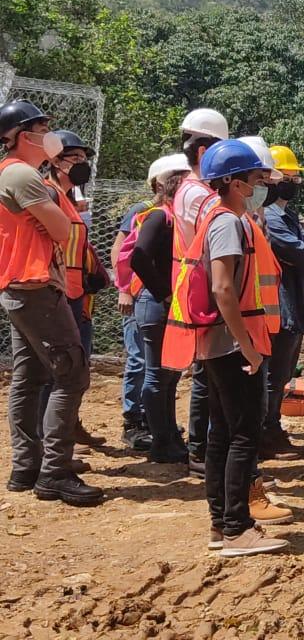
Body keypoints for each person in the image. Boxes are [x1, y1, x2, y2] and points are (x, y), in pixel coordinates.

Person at [163, 138, 287, 557]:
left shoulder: (218, 218)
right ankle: (236, 527)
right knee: (243, 434)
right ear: (234, 182)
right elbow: (223, 287)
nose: (259, 186)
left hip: (218, 343)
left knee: (222, 434)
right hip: (232, 344)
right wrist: (247, 346)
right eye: (254, 179)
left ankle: (222, 524)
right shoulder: (227, 223)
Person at [0, 99, 102, 506]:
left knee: (30, 377)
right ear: (25, 136)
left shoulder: (17, 172)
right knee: (71, 374)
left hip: (21, 286)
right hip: (37, 286)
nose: (50, 137)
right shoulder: (23, 174)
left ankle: (27, 466)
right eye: (43, 129)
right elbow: (62, 230)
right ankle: (54, 473)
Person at [171, 108, 231, 479]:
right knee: (210, 379)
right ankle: (203, 451)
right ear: (205, 150)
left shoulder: (190, 190)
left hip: (202, 289)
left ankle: (204, 450)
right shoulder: (200, 194)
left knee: (208, 377)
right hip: (208, 293)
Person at [44, 130, 111, 438]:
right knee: (58, 369)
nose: (82, 164)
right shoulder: (49, 194)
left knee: (77, 365)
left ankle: (69, 424)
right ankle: (51, 435)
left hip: (77, 293)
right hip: (58, 293)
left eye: (84, 159)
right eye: (76, 158)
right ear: (54, 161)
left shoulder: (70, 200)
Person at [128, 154, 194, 464]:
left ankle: (168, 437)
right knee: (156, 377)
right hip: (155, 306)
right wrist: (164, 294)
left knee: (169, 377)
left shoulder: (174, 219)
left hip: (166, 305)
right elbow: (138, 257)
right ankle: (161, 441)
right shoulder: (158, 217)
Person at [260, 145, 304, 461]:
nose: (296, 182)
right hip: (279, 307)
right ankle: (266, 433)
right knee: (273, 375)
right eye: (291, 176)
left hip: (292, 304)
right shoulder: (271, 216)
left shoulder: (287, 215)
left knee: (281, 375)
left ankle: (272, 428)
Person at [113, 162, 174, 452]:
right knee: (140, 362)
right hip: (141, 296)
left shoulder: (174, 214)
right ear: (158, 184)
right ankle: (133, 422)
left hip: (152, 297)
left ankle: (155, 422)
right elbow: (123, 251)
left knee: (159, 367)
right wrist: (124, 289)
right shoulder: (145, 211)